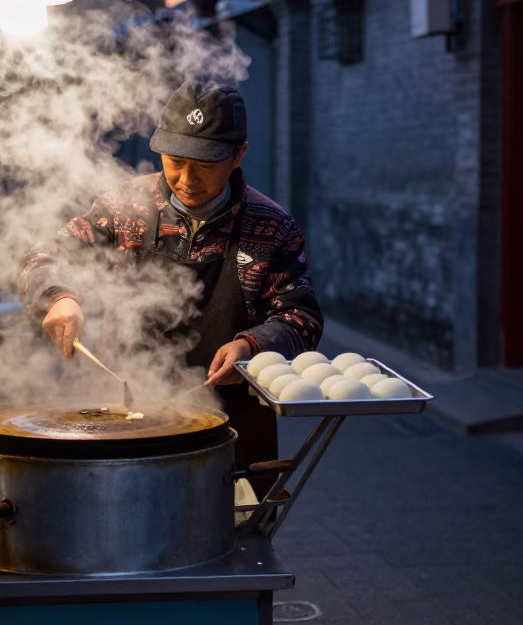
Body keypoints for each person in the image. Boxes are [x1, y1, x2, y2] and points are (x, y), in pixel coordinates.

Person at [18, 80, 323, 478]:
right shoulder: (123, 209)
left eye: (205, 164)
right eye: (175, 160)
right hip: (120, 414)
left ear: (238, 156)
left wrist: (252, 345)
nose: (186, 178)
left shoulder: (272, 227)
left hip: (231, 425)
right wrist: (58, 296)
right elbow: (42, 256)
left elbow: (302, 318)